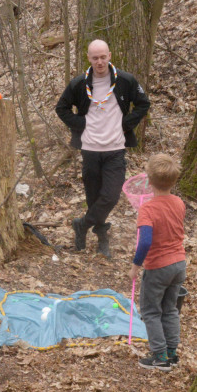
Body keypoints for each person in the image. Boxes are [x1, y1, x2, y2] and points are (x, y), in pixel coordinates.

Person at [55, 39, 150, 258]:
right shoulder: (79, 83)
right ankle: (101, 237)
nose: (99, 62)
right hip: (90, 148)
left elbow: (143, 103)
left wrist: (126, 124)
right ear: (89, 58)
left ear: (109, 56)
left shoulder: (125, 80)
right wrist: (81, 124)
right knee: (93, 196)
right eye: (95, 58)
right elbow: (61, 108)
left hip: (115, 147)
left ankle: (82, 224)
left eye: (103, 57)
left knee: (111, 195)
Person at [128, 154, 187, 371]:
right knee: (170, 309)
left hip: (158, 267)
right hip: (179, 264)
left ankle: (160, 356)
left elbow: (145, 242)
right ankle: (171, 353)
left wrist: (135, 266)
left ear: (149, 181)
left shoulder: (148, 209)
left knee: (151, 311)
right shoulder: (179, 202)